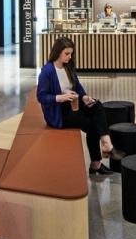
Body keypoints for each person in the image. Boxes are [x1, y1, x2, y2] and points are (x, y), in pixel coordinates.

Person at [36, 37, 114, 175]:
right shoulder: (47, 71)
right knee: (91, 124)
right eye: (67, 54)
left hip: (74, 103)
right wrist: (61, 97)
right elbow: (41, 97)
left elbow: (77, 86)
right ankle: (96, 163)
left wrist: (84, 97)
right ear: (58, 52)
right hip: (59, 112)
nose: (70, 57)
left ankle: (105, 141)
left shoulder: (68, 67)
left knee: (97, 105)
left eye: (71, 54)